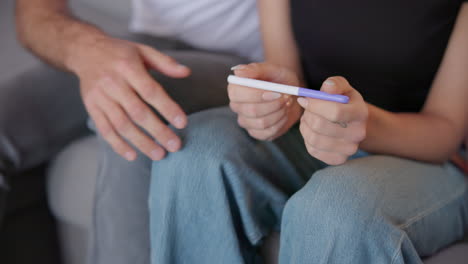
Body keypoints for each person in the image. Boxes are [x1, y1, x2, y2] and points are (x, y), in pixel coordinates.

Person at [148, 0, 468, 263]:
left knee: (335, 211)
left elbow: (445, 132)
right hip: (312, 132)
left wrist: (361, 124)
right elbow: (291, 81)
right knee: (194, 153)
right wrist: (274, 104)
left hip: (427, 154)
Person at [7, 0, 262, 263]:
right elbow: (34, 14)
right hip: (147, 39)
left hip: (245, 61)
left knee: (130, 100)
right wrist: (87, 49)